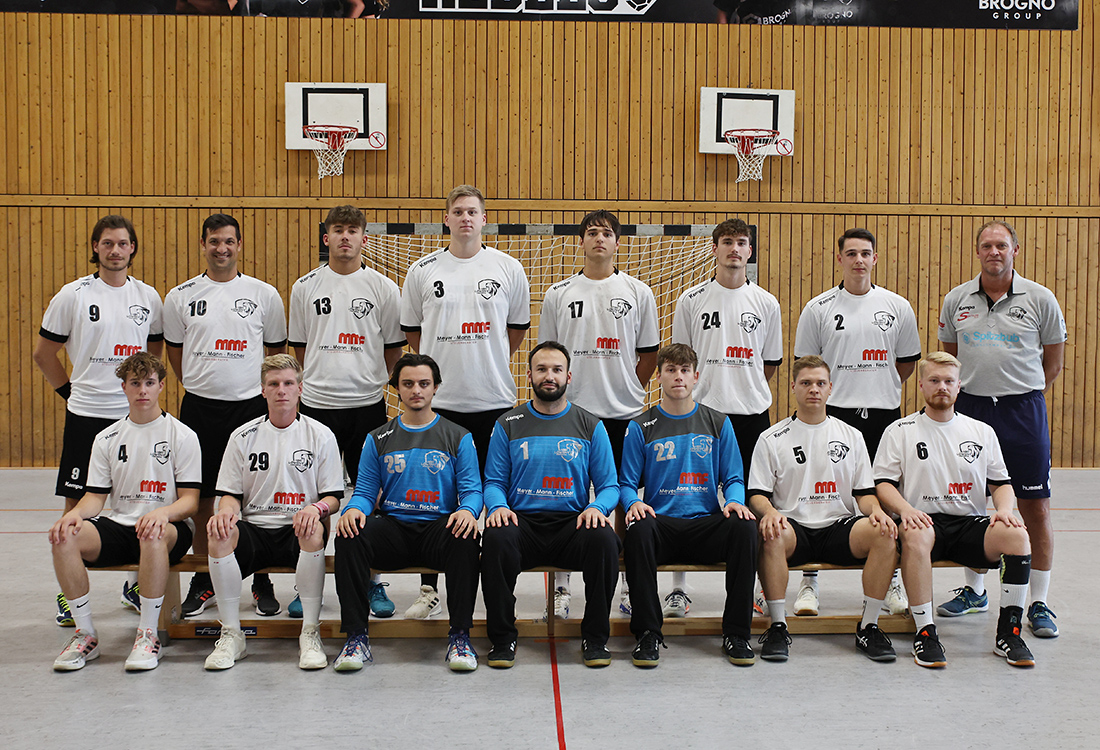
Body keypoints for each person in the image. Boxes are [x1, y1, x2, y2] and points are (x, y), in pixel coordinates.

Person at [400, 185, 530, 619]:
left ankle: (498, 591)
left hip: (494, 400)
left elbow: (516, 330)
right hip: (441, 405)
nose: (465, 218)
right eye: (457, 211)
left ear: (484, 219)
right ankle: (429, 588)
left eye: (473, 211)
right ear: (447, 219)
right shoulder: (422, 270)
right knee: (436, 497)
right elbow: (414, 334)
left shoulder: (508, 268)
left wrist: (487, 360)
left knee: (496, 498)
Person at [34, 214, 164, 626]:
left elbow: (154, 353)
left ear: (133, 248)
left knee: (142, 498)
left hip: (134, 416)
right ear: (95, 247)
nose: (115, 250)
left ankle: (135, 583)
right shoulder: (72, 295)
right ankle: (69, 593)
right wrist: (70, 392)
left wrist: (143, 392)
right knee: (77, 503)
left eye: (123, 243)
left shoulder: (148, 296)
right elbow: (43, 354)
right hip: (87, 415)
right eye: (107, 243)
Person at [937, 220, 1065, 637]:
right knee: (970, 504)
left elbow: (1053, 362)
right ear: (978, 252)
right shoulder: (957, 299)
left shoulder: (1041, 299)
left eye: (1002, 246)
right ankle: (976, 592)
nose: (994, 252)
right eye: (987, 246)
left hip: (1022, 411)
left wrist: (1021, 393)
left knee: (1035, 508)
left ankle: (1038, 602)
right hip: (971, 411)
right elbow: (951, 359)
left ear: (1015, 250)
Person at [874, 352, 1035, 668]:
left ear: (959, 386)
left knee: (1017, 536)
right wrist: (905, 510)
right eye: (934, 380)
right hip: (923, 521)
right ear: (921, 385)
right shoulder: (900, 430)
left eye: (949, 381)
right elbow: (883, 484)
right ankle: (925, 633)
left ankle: (1010, 634)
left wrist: (1004, 509)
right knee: (916, 535)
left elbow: (1001, 483)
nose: (942, 387)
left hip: (968, 524)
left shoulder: (981, 431)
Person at [163, 213, 288, 619]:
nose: (222, 248)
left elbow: (275, 352)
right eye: (214, 241)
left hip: (251, 408)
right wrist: (201, 382)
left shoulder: (264, 294)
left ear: (239, 245)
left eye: (229, 241)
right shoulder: (180, 296)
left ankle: (261, 579)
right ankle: (204, 579)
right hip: (200, 408)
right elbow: (176, 353)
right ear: (203, 244)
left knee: (254, 494)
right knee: (201, 496)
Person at [792, 228, 921, 617]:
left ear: (875, 258)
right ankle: (810, 580)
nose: (859, 260)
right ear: (840, 259)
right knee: (818, 492)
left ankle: (892, 578)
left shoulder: (897, 306)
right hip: (834, 414)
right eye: (851, 253)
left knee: (885, 494)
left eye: (866, 253)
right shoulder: (818, 308)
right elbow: (806, 366)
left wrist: (876, 387)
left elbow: (905, 363)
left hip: (883, 415)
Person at [539, 209, 659, 619]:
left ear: (617, 242)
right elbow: (549, 357)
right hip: (570, 414)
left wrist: (627, 387)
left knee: (625, 498)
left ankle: (626, 584)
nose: (599, 239)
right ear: (581, 242)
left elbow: (648, 355)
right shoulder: (558, 293)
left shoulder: (638, 292)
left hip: (623, 412)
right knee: (564, 495)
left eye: (607, 233)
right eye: (591, 233)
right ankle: (561, 588)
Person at [49, 352, 199, 672]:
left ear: (161, 386)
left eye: (149, 383)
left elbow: (190, 501)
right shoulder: (107, 438)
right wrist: (73, 515)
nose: (142, 390)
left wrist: (163, 514)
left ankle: (147, 635)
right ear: (124, 388)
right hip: (122, 524)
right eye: (135, 383)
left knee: (152, 533)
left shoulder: (182, 435)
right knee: (65, 537)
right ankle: (85, 634)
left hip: (169, 529)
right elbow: (94, 498)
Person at [333, 353, 483, 672]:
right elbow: (364, 492)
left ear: (435, 387)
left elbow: (472, 490)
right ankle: (356, 638)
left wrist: (469, 511)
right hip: (394, 530)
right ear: (397, 389)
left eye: (424, 383)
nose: (416, 390)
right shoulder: (378, 438)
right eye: (408, 384)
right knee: (349, 535)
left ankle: (460, 637)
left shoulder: (458, 436)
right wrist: (353, 510)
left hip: (438, 530)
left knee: (467, 536)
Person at [290, 204, 405, 619]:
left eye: (352, 230)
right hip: (317, 406)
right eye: (337, 230)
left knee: (370, 494)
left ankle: (372, 580)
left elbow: (393, 349)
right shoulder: (304, 286)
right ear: (326, 238)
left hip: (367, 405)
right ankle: (308, 585)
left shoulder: (383, 288)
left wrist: (367, 379)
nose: (345, 237)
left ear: (364, 239)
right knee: (313, 497)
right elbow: (300, 348)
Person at [748, 356, 899, 662]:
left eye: (820, 383)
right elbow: (757, 495)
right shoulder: (771, 438)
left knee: (884, 533)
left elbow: (864, 494)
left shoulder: (851, 436)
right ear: (793, 387)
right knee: (771, 533)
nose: (813, 389)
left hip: (838, 526)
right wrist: (770, 512)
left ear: (831, 388)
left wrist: (876, 510)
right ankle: (778, 626)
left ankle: (868, 626)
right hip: (793, 526)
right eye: (806, 383)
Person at [480, 342, 620, 668]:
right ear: (528, 375)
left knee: (604, 539)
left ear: (568, 376)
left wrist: (597, 508)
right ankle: (502, 638)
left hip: (572, 524)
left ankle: (595, 638)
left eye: (557, 370)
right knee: (496, 537)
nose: (549, 376)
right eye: (541, 369)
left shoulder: (590, 425)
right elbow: (494, 482)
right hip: (522, 524)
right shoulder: (508, 423)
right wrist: (498, 507)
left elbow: (610, 487)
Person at [670, 218, 782, 617]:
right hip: (701, 415)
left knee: (751, 503)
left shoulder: (767, 303)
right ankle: (678, 588)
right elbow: (681, 360)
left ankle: (753, 588)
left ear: (750, 251)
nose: (735, 248)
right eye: (728, 242)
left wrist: (741, 387)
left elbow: (769, 363)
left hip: (750, 416)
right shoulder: (691, 299)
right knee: (685, 497)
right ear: (715, 248)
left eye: (742, 242)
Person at [619, 343, 757, 667]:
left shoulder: (717, 422)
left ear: (696, 377)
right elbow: (626, 484)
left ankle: (737, 633)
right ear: (659, 377)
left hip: (705, 524)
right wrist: (633, 503)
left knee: (745, 528)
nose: (678, 377)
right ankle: (648, 633)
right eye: (670, 370)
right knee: (638, 530)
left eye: (684, 370)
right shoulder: (641, 426)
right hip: (661, 526)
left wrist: (735, 501)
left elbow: (734, 478)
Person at [202, 354, 343, 671]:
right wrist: (226, 512)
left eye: (288, 383)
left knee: (314, 529)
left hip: (297, 527)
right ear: (263, 390)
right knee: (219, 533)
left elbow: (333, 497)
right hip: (255, 529)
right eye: (274, 384)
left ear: (300, 389)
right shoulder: (242, 436)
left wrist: (315, 508)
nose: (282, 390)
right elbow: (230, 494)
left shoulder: (320, 434)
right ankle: (232, 634)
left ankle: (310, 632)